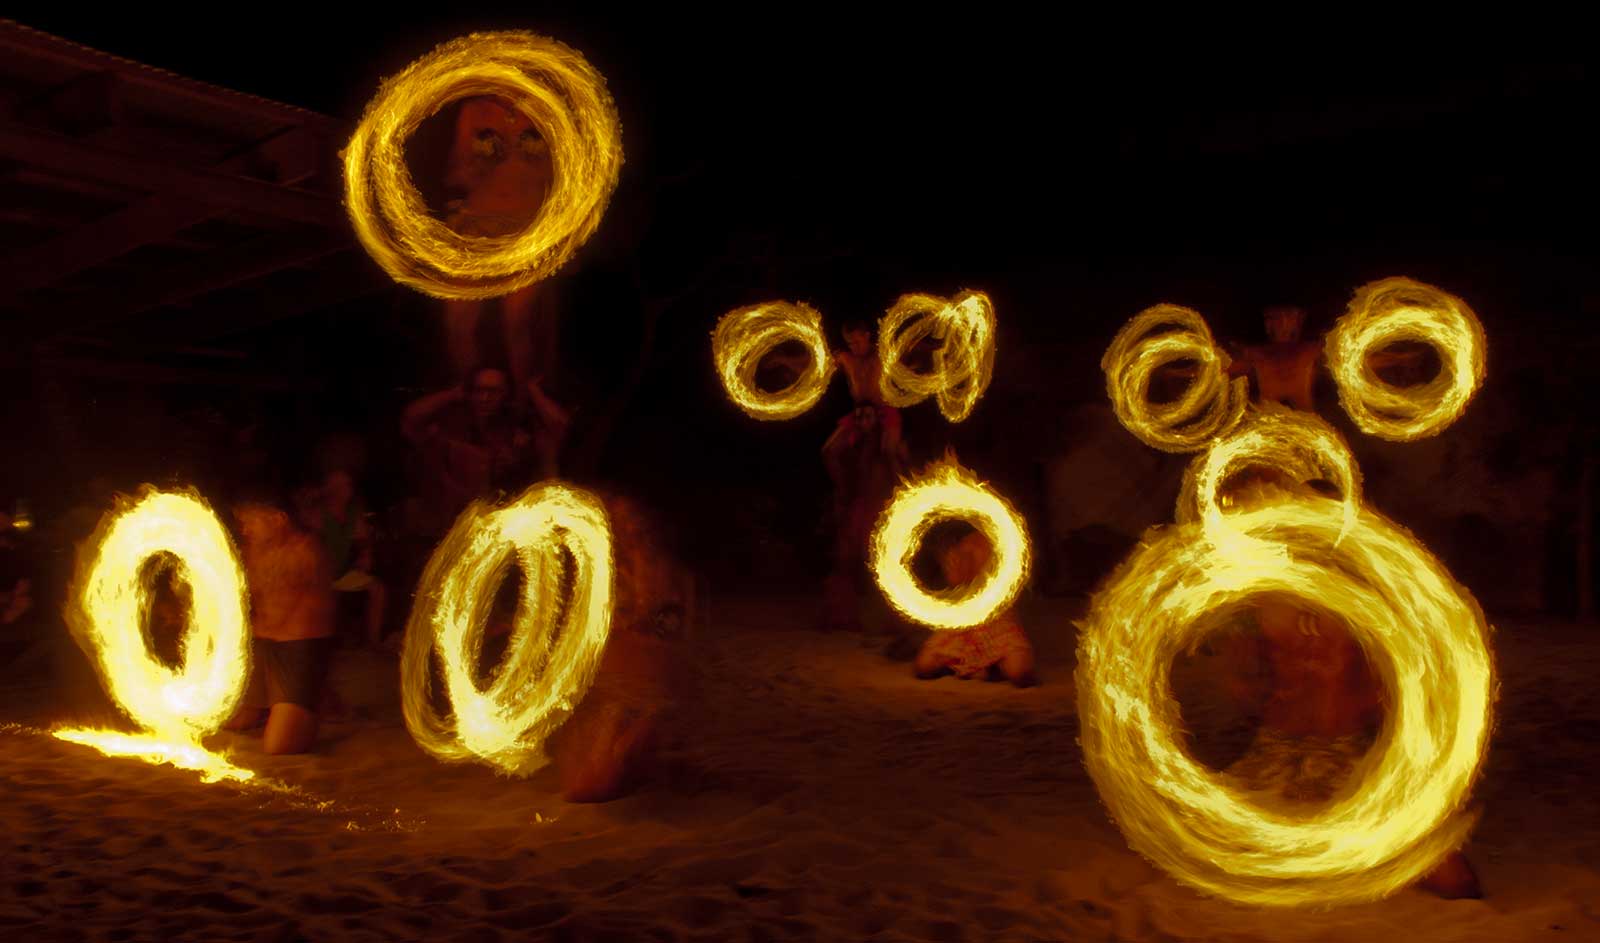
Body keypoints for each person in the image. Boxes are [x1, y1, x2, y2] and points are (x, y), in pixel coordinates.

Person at [1215, 473, 1482, 899]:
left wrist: (1409, 769)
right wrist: (1246, 676)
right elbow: (1240, 678)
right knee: (1207, 853)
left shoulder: (1372, 599)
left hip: (1344, 758)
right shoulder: (1264, 592)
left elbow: (1403, 685)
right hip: (1274, 755)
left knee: (1456, 882)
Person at [549, 494, 695, 803]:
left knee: (619, 753)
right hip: (619, 667)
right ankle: (627, 760)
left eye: (631, 524)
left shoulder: (662, 572)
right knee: (590, 782)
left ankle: (636, 758)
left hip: (643, 667)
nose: (625, 528)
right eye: (619, 523)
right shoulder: (607, 566)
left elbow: (675, 617)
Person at [441, 96, 559, 391]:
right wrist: (478, 161)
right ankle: (470, 398)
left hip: (526, 231)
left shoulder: (548, 110)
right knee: (457, 322)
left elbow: (568, 178)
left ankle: (522, 402)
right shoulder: (474, 110)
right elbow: (456, 173)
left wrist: (536, 156)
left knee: (517, 322)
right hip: (475, 228)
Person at [402, 366, 571, 538]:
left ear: (507, 395)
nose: (485, 398)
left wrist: (534, 391)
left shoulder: (518, 431)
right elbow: (412, 419)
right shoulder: (452, 428)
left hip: (504, 530)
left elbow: (561, 428)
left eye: (494, 391)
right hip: (453, 530)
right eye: (478, 390)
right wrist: (454, 393)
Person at [225, 500, 336, 755]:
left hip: (297, 651)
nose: (245, 529)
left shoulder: (306, 552)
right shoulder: (250, 551)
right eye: (243, 523)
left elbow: (323, 612)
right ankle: (275, 707)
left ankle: (312, 702)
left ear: (278, 519)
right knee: (233, 721)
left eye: (252, 521)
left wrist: (319, 675)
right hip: (260, 649)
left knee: (279, 746)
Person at [914, 530, 1037, 686]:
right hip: (964, 622)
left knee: (1020, 673)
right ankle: (973, 667)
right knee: (924, 666)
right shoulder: (963, 545)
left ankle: (992, 666)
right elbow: (957, 582)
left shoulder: (1010, 538)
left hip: (1000, 623)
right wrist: (956, 559)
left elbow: (1020, 582)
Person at [305, 469, 388, 649]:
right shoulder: (319, 514)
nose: (347, 489)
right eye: (342, 486)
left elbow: (363, 538)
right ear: (331, 489)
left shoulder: (352, 513)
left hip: (340, 573)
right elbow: (308, 547)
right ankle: (320, 645)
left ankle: (373, 641)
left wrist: (365, 555)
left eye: (348, 485)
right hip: (316, 577)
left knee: (377, 588)